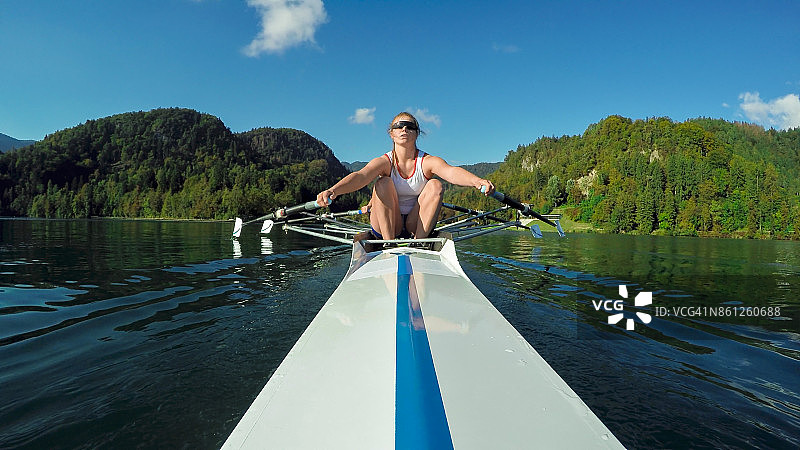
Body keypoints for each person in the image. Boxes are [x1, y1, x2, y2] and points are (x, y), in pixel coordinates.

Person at [316, 112, 494, 240]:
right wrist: (334, 190)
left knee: (436, 185)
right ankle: (388, 244)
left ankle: (419, 243)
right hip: (387, 224)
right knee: (383, 183)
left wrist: (477, 181)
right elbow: (361, 176)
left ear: (417, 133)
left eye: (410, 126)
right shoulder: (384, 162)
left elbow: (451, 172)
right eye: (399, 126)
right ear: (391, 134)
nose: (404, 129)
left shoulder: (427, 161)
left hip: (414, 223)